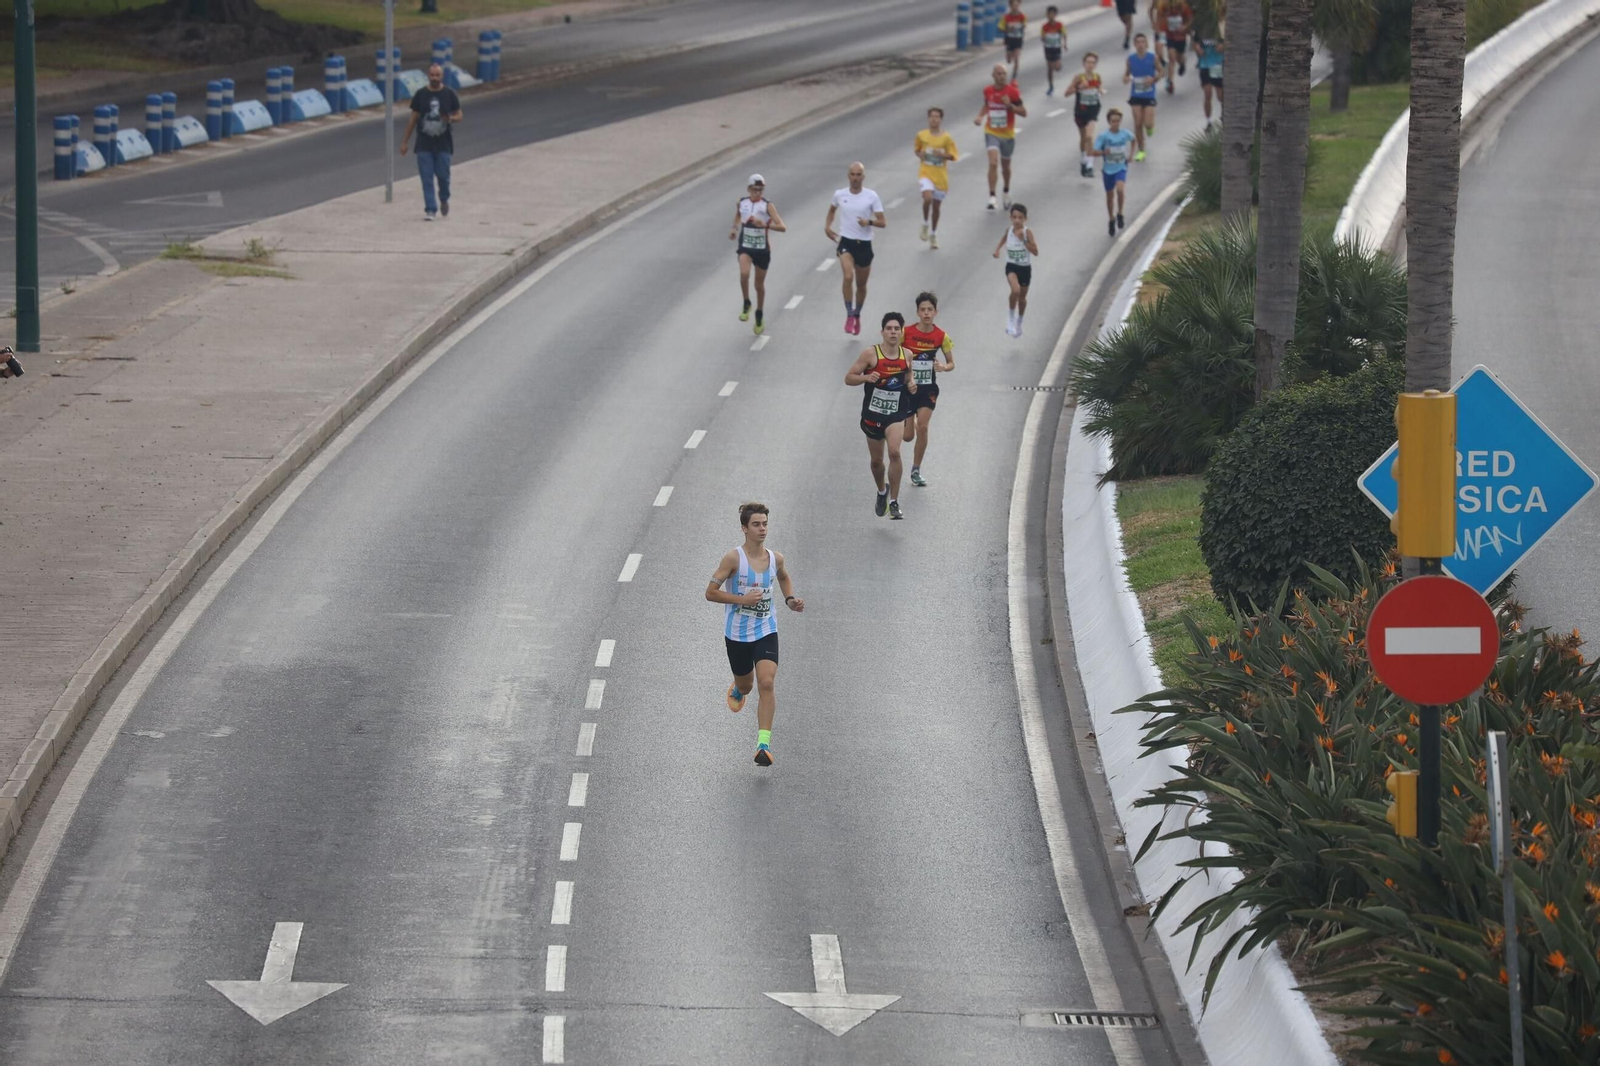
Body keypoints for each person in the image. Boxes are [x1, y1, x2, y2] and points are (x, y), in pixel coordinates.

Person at [705, 502, 804, 768]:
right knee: (747, 685)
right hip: (737, 634)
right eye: (756, 525)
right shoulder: (733, 559)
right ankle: (738, 688)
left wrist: (790, 599)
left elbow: (783, 577)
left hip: (765, 629)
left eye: (765, 524)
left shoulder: (775, 558)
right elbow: (710, 593)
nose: (762, 529)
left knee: (767, 682)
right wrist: (742, 599)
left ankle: (763, 744)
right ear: (744, 529)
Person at [844, 312, 918, 520]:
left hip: (896, 412)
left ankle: (894, 502)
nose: (893, 332)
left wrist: (911, 384)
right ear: (882, 332)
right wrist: (867, 377)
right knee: (877, 461)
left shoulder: (907, 355)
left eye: (897, 329)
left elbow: (908, 377)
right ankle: (881, 491)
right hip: (873, 413)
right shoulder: (870, 354)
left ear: (902, 332)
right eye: (889, 328)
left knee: (894, 451)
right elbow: (849, 378)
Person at [823, 163, 887, 336]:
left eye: (859, 175)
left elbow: (883, 221)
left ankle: (857, 314)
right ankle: (849, 314)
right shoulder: (840, 194)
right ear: (848, 176)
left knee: (861, 284)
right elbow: (831, 211)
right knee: (848, 276)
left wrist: (869, 222)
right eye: (852, 174)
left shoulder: (871, 196)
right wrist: (827, 227)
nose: (855, 178)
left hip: (864, 244)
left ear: (863, 177)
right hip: (847, 242)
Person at [900, 292, 954, 487]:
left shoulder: (941, 336)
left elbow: (951, 363)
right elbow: (894, 356)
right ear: (917, 312)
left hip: (928, 389)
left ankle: (916, 469)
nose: (926, 313)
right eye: (923, 310)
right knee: (907, 437)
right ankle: (910, 423)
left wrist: (943, 367)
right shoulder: (905, 333)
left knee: (923, 427)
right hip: (907, 389)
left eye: (929, 310)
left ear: (936, 312)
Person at [399, 63, 462, 222]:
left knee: (443, 176)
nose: (434, 78)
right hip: (424, 145)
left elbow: (460, 115)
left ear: (442, 77)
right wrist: (404, 142)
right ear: (428, 75)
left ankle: (444, 198)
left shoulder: (449, 94)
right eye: (432, 75)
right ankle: (430, 209)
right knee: (426, 178)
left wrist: (450, 119)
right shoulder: (421, 95)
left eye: (437, 75)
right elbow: (413, 119)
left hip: (443, 144)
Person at [729, 174, 786, 335]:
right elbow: (739, 214)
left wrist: (765, 226)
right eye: (755, 190)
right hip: (746, 246)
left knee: (758, 285)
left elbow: (783, 227)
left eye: (761, 190)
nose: (758, 193)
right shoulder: (742, 202)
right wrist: (734, 228)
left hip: (762, 249)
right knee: (744, 273)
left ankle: (759, 312)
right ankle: (746, 302)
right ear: (748, 189)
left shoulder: (768, 206)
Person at [973, 64, 1026, 211]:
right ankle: (992, 196)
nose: (1002, 76)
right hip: (992, 132)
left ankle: (1006, 191)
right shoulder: (987, 91)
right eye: (999, 73)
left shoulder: (1013, 93)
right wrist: (980, 116)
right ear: (993, 76)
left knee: (1005, 166)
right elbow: (986, 104)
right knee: (993, 162)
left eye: (1004, 73)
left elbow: (1023, 112)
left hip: (1007, 134)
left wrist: (1011, 107)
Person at [913, 108, 959, 249]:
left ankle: (933, 234)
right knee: (927, 198)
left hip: (940, 177)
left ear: (941, 119)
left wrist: (942, 154)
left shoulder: (946, 138)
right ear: (928, 119)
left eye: (937, 117)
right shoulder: (921, 135)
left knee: (937, 207)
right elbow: (917, 150)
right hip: (926, 173)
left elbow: (953, 156)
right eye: (932, 117)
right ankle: (925, 223)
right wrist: (920, 154)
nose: (934, 119)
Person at [993, 204, 1038, 338]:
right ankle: (1010, 318)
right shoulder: (1009, 229)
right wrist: (997, 250)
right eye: (1014, 217)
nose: (1017, 220)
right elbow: (1004, 237)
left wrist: (1023, 240)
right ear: (1010, 217)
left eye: (1020, 217)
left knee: (1022, 298)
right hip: (1011, 266)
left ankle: (1019, 321)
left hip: (1024, 267)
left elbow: (1035, 251)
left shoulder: (1027, 232)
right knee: (1015, 290)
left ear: (1025, 219)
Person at [1091, 109, 1136, 238]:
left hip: (1121, 167)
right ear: (1109, 122)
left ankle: (1120, 213)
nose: (1115, 124)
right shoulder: (1104, 136)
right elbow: (1094, 152)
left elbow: (1134, 140)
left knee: (1120, 190)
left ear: (1120, 121)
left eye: (1117, 121)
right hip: (1108, 170)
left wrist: (1131, 155)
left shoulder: (1125, 133)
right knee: (1110, 196)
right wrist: (1104, 152)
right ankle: (1111, 219)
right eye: (1113, 121)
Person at [1124, 34, 1163, 162]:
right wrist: (1126, 78)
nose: (1140, 45)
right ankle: (1141, 150)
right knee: (1137, 123)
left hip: (1149, 94)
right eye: (1138, 42)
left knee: (1147, 123)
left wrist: (1154, 79)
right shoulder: (1131, 59)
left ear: (1146, 44)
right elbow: (1127, 73)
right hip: (1136, 94)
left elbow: (1162, 72)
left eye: (1143, 42)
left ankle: (1150, 127)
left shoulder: (1152, 57)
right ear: (1134, 45)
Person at [1068, 53, 1104, 178]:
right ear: (1084, 64)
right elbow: (1067, 93)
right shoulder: (1079, 77)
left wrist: (1100, 92)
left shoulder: (1097, 77)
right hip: (1080, 111)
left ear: (1095, 65)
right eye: (1088, 62)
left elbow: (1099, 90)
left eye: (1093, 62)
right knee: (1083, 138)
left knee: (1089, 136)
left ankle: (1089, 166)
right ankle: (1083, 159)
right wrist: (1079, 88)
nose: (1090, 65)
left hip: (1093, 110)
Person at [1155, 0, 1193, 90]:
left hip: (1181, 37)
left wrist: (1184, 27)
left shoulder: (1183, 6)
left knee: (1179, 58)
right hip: (1170, 36)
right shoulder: (1163, 5)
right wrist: (1160, 30)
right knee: (1171, 57)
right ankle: (1170, 81)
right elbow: (1160, 18)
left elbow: (1190, 19)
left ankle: (1182, 63)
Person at [1195, 36, 1224, 126]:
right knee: (1208, 94)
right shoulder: (1201, 31)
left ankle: (1224, 114)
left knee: (1220, 96)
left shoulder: (1219, 31)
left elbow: (1225, 44)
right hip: (1205, 66)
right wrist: (1198, 49)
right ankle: (1208, 120)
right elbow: (1195, 42)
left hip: (1217, 65)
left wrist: (1221, 46)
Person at [1041, 6, 1067, 95]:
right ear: (1047, 15)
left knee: (1057, 67)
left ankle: (1059, 66)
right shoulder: (1044, 26)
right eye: (1049, 14)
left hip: (1056, 48)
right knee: (1049, 68)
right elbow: (1042, 37)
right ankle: (1051, 86)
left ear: (1055, 15)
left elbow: (1064, 34)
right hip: (1048, 49)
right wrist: (1044, 37)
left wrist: (1065, 44)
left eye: (1052, 14)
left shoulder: (1059, 25)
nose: (1051, 16)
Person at [999, 0, 1028, 79]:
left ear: (1019, 5)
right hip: (1009, 39)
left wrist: (1021, 26)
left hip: (1018, 39)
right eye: (1013, 5)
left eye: (1017, 5)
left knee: (1016, 58)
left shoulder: (1022, 16)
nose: (1015, 7)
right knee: (1009, 60)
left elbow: (1024, 25)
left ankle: (1014, 77)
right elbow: (1000, 28)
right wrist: (1008, 29)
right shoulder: (1006, 17)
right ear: (1010, 6)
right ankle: (1008, 55)